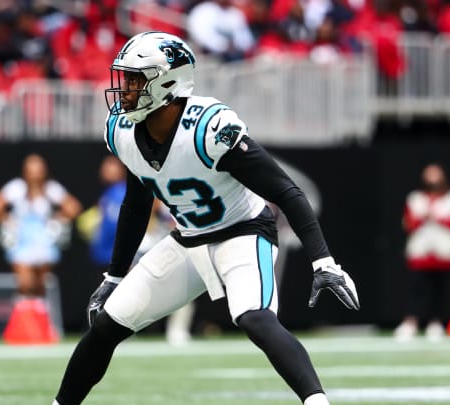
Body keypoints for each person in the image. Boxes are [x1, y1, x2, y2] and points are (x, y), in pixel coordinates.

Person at [53, 31, 359, 405]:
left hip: (243, 232)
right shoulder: (124, 131)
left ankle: (317, 403)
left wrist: (323, 261)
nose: (125, 89)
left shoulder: (208, 128)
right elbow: (136, 205)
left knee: (254, 317)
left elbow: (286, 190)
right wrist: (114, 276)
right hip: (188, 238)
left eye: (135, 79)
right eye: (125, 78)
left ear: (167, 82)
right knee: (106, 326)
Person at [0, 153, 82, 298]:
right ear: (25, 172)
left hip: (44, 240)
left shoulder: (51, 189)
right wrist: (7, 220)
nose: (35, 175)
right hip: (22, 239)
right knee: (25, 284)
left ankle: (39, 315)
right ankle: (25, 313)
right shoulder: (16, 188)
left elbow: (74, 207)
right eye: (32, 170)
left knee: (41, 284)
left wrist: (58, 219)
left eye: (39, 170)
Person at [394, 163, 450, 342]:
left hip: (444, 252)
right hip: (421, 253)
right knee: (417, 289)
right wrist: (424, 217)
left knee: (440, 290)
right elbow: (409, 223)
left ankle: (436, 323)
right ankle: (411, 323)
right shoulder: (415, 199)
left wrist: (436, 218)